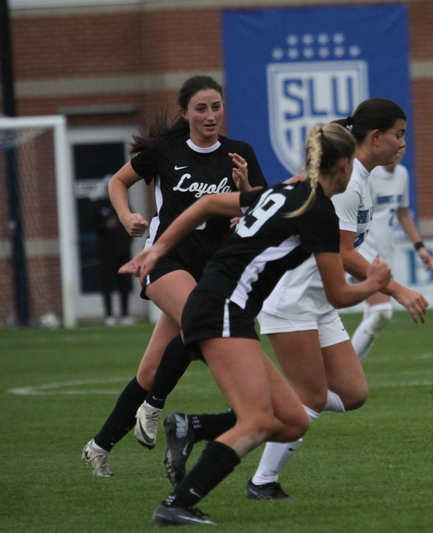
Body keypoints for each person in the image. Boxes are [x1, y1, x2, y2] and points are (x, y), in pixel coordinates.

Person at [120, 121, 390, 526]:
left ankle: (188, 426)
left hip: (219, 307)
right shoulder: (317, 211)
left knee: (293, 420)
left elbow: (207, 205)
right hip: (221, 310)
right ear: (347, 164)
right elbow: (338, 296)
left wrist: (157, 251)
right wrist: (374, 284)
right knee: (259, 420)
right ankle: (177, 503)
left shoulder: (285, 193)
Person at [160, 98, 429, 500]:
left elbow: (288, 194)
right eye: (399, 134)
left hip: (315, 300)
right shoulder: (347, 179)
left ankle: (200, 428)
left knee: (351, 394)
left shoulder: (355, 175)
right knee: (304, 401)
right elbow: (341, 252)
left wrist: (253, 199)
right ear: (375, 137)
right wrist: (394, 288)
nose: (403, 143)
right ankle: (259, 481)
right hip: (293, 297)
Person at [82, 75, 266, 477]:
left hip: (210, 270)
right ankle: (154, 406)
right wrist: (126, 214)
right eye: (201, 108)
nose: (210, 115)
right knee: (202, 320)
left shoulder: (240, 153)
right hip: (163, 262)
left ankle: (98, 447)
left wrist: (245, 191)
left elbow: (257, 209)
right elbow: (118, 181)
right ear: (184, 113)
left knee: (150, 371)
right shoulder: (165, 151)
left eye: (216, 106)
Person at [351, 144, 433, 362]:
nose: (398, 150)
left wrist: (419, 247)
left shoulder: (402, 174)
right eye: (394, 141)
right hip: (364, 252)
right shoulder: (367, 175)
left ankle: (349, 378)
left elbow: (403, 213)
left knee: (374, 317)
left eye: (402, 142)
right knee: (381, 312)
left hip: (384, 254)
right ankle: (344, 371)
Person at [90, 177, 134, 326]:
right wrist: (105, 225)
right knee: (107, 284)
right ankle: (108, 315)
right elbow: (92, 225)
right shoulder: (98, 206)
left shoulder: (125, 205)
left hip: (123, 252)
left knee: (125, 284)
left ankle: (125, 314)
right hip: (106, 252)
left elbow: (133, 226)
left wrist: (126, 243)